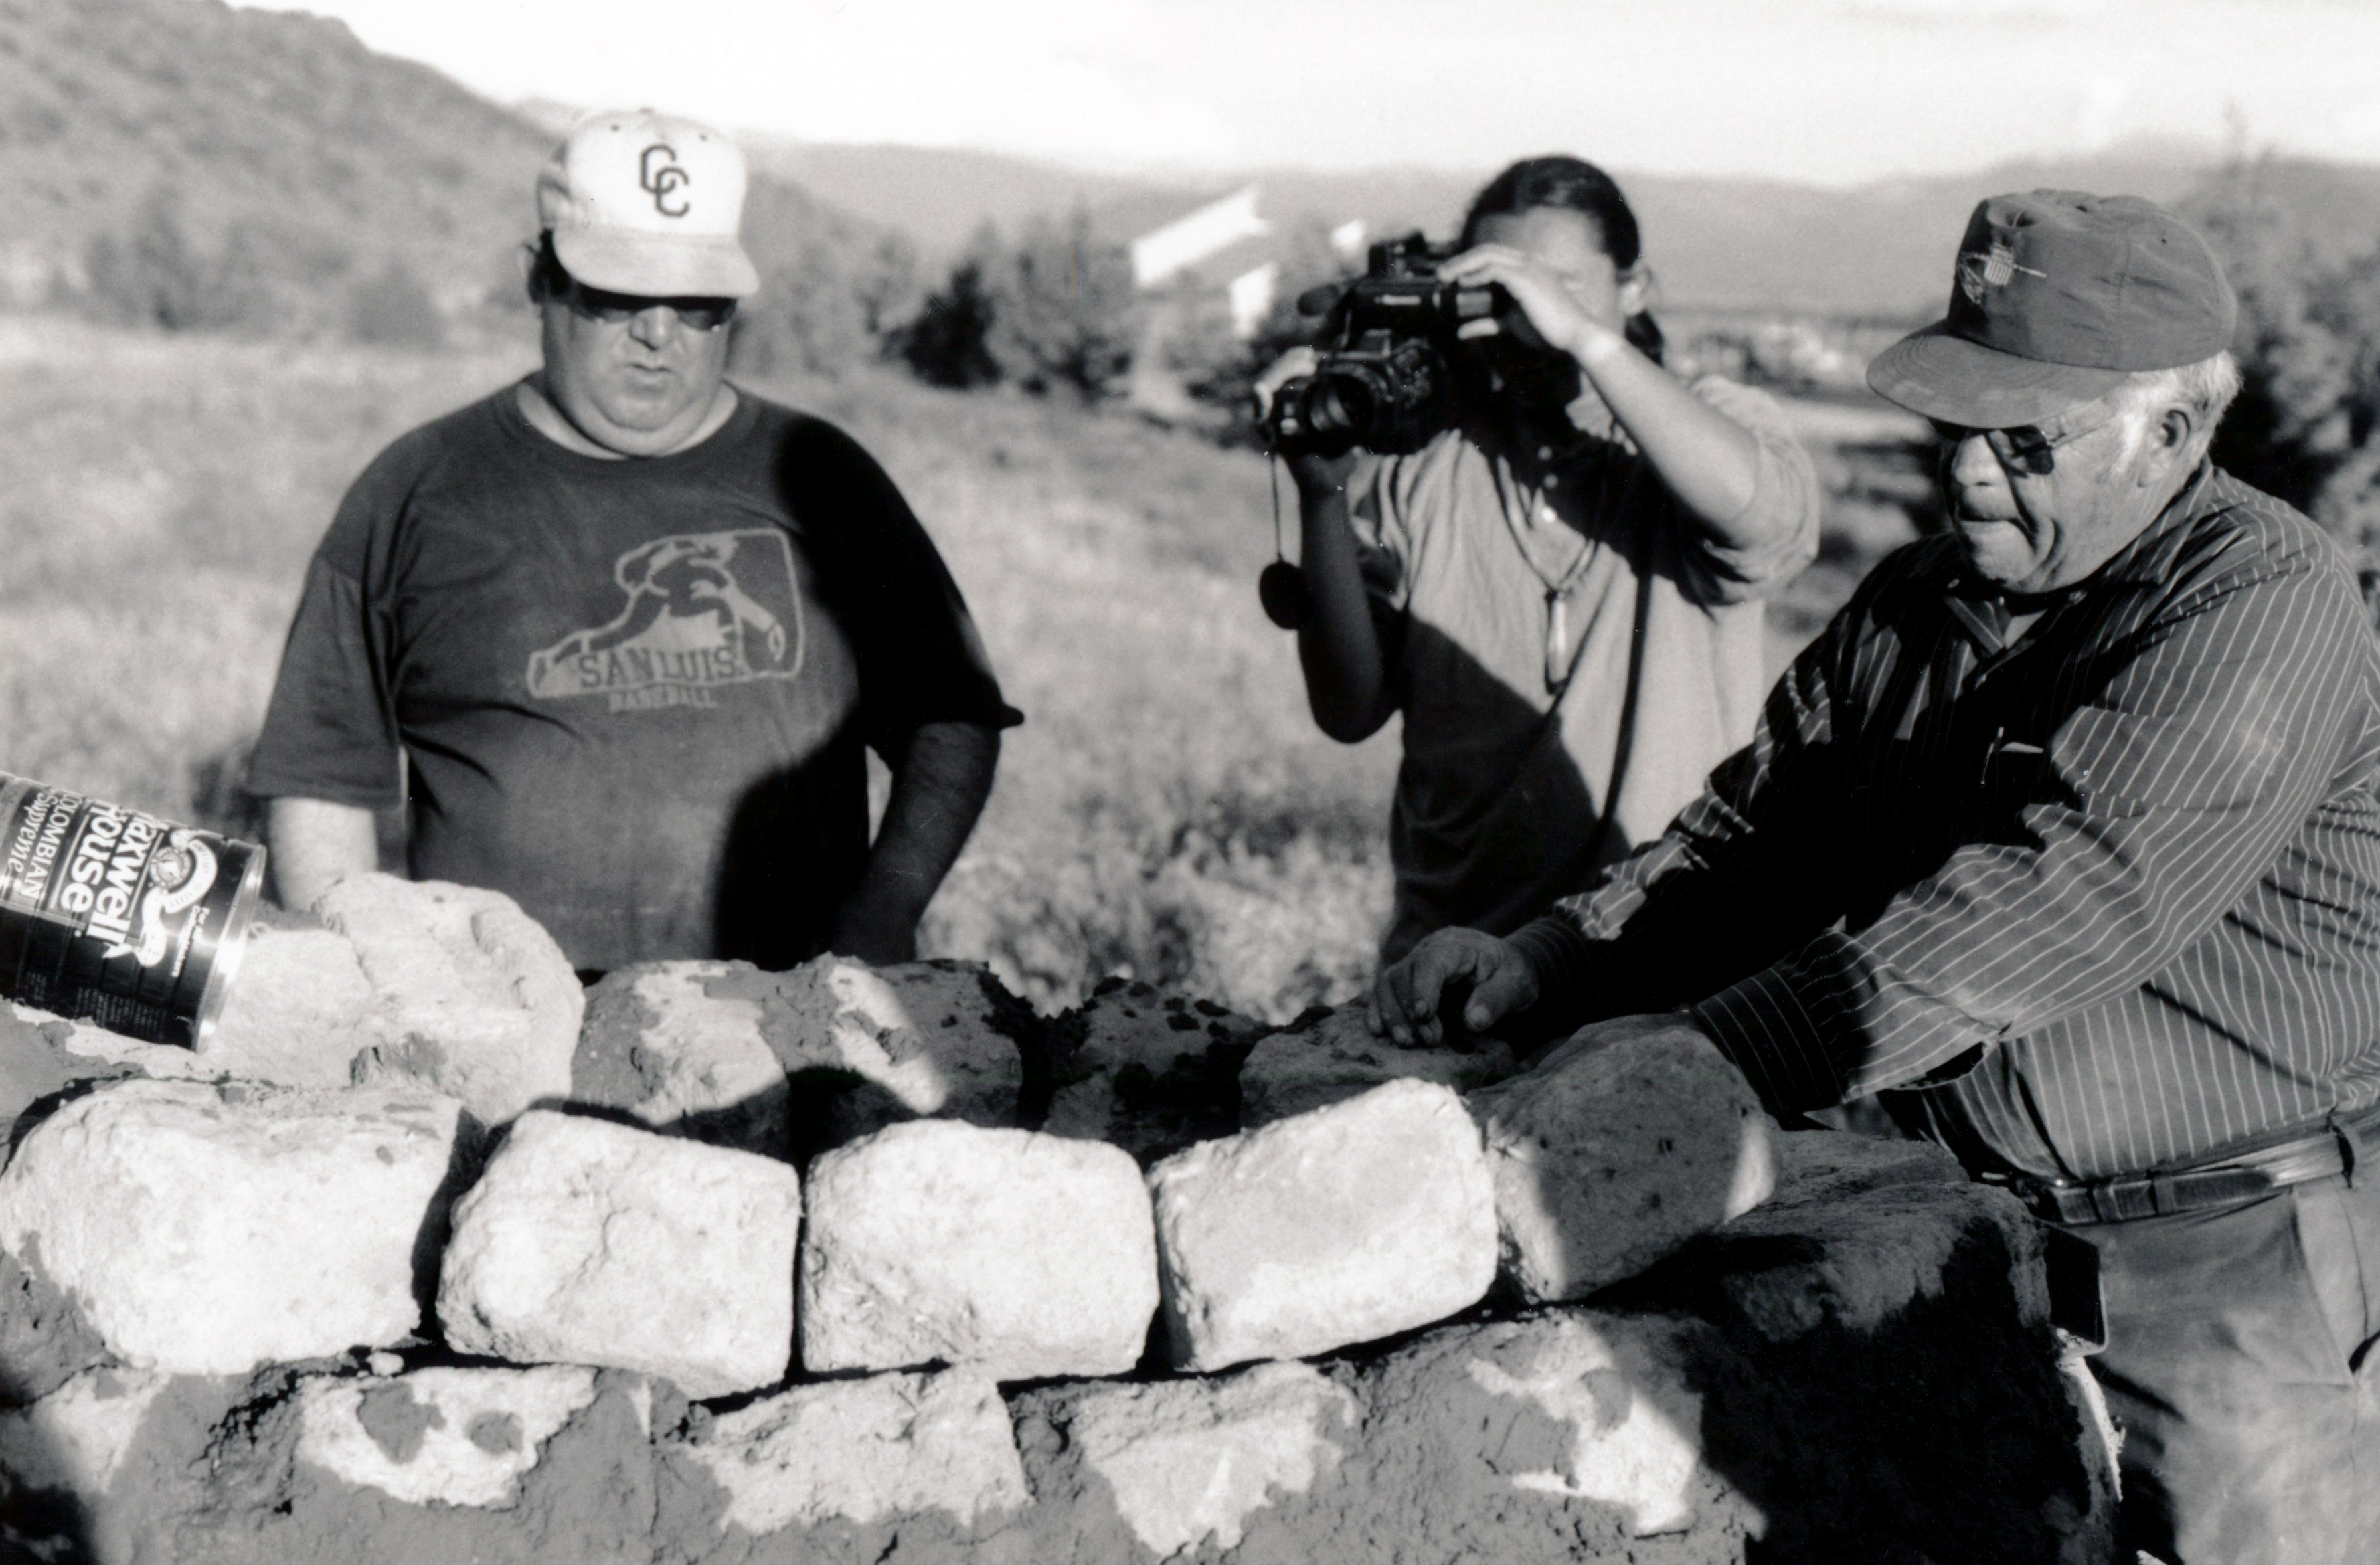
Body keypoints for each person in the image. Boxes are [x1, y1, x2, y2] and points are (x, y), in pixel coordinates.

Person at [1372, 190, 2380, 1565]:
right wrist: (1546, 956)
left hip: (2211, 1275)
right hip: (1945, 1243)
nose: (1968, 470)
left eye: (2023, 439)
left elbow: (2063, 894)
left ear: (2173, 430)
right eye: (1954, 421)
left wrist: (1711, 1054)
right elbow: (1744, 839)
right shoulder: (1911, 604)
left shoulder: (2258, 602)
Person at [246, 110, 1019, 973]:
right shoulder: (417, 490)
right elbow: (320, 776)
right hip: (509, 1025)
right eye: (617, 293)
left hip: (786, 1021)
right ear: (539, 277)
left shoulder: (822, 478)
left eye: (697, 303)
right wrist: (361, 975)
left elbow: (950, 712)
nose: (658, 331)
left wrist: (887, 905)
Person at [1256, 156, 1820, 962]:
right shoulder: (1432, 465)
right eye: (1500, 292)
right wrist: (1321, 497)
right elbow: (1347, 709)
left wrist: (1586, 339)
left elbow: (1770, 524)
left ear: (1635, 288)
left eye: (1557, 287)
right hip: (1449, 958)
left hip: (1656, 958)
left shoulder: (1705, 424)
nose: (1528, 320)